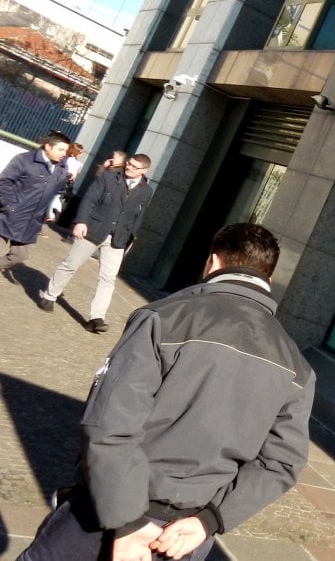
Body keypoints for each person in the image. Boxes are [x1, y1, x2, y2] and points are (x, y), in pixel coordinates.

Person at [18, 223, 315, 561]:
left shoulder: (164, 318)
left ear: (213, 262)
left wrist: (128, 522)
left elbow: (109, 423)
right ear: (268, 279)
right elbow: (282, 462)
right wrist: (209, 521)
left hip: (102, 519)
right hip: (186, 536)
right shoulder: (298, 367)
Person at [38, 153, 156, 333]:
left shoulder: (146, 190)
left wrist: (132, 235)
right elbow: (89, 199)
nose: (129, 168)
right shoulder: (109, 177)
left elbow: (139, 215)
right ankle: (50, 296)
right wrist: (81, 222)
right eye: (129, 164)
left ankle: (96, 317)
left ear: (145, 170)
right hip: (93, 230)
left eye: (135, 167)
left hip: (118, 238)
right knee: (70, 264)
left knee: (108, 278)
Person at [0, 130, 71, 276]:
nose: (64, 154)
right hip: (7, 216)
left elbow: (60, 190)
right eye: (61, 150)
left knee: (20, 256)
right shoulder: (24, 160)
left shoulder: (62, 168)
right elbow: (4, 182)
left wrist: (52, 208)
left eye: (66, 150)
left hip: (32, 222)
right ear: (48, 146)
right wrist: (10, 206)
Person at [46, 142, 85, 223]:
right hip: (64, 185)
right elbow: (74, 176)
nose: (81, 155)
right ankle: (49, 216)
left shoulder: (62, 159)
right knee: (55, 202)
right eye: (80, 152)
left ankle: (48, 215)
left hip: (56, 183)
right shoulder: (77, 164)